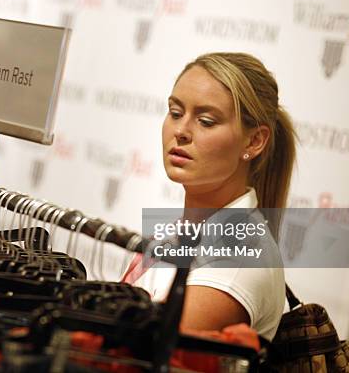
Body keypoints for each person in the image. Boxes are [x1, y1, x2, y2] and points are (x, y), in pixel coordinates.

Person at [123, 52, 296, 341]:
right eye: (175, 113)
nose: (180, 131)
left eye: (205, 121)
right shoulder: (184, 231)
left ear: (254, 141)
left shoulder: (238, 258)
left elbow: (140, 355)